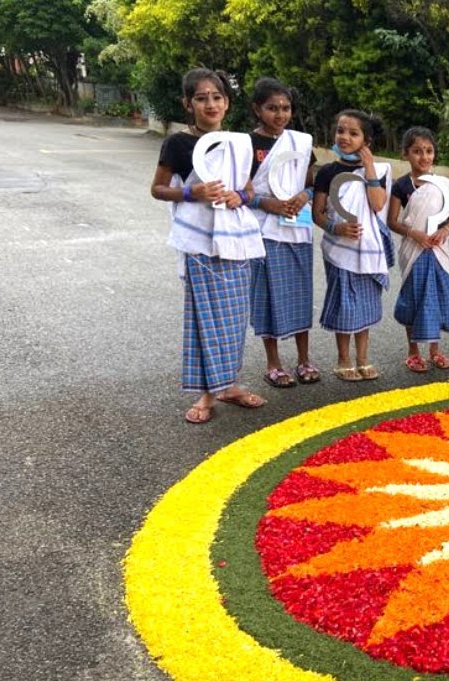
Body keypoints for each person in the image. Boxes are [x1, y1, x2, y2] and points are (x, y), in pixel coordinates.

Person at [149, 67, 266, 424]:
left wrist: (239, 197)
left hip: (235, 242)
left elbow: (249, 189)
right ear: (188, 104)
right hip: (198, 240)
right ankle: (206, 395)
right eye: (201, 98)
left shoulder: (240, 143)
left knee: (232, 319)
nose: (210, 104)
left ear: (227, 103)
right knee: (204, 318)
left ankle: (227, 385)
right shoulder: (178, 144)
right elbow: (158, 188)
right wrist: (191, 192)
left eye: (216, 97)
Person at [246, 77, 320, 388]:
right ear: (257, 109)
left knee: (301, 295)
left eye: (286, 108)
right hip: (265, 229)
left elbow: (312, 182)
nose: (280, 114)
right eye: (272, 108)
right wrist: (269, 204)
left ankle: (304, 360)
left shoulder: (300, 142)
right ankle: (273, 363)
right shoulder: (246, 145)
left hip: (298, 228)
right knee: (269, 297)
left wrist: (304, 196)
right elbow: (242, 191)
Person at [310, 110, 393, 382]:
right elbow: (318, 213)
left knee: (366, 303)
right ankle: (343, 359)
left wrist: (368, 167)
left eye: (353, 133)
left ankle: (363, 358)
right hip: (339, 249)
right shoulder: (327, 172)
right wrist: (337, 228)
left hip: (367, 249)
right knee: (345, 303)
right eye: (341, 131)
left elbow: (378, 204)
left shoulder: (378, 171)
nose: (344, 137)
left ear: (366, 140)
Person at [387, 126, 449, 373]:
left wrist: (445, 231)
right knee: (415, 298)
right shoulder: (401, 186)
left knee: (435, 297)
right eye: (417, 151)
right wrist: (414, 233)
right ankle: (414, 352)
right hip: (413, 251)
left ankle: (435, 351)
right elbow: (392, 221)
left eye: (429, 151)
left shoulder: (442, 186)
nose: (424, 157)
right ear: (406, 154)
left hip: (438, 251)